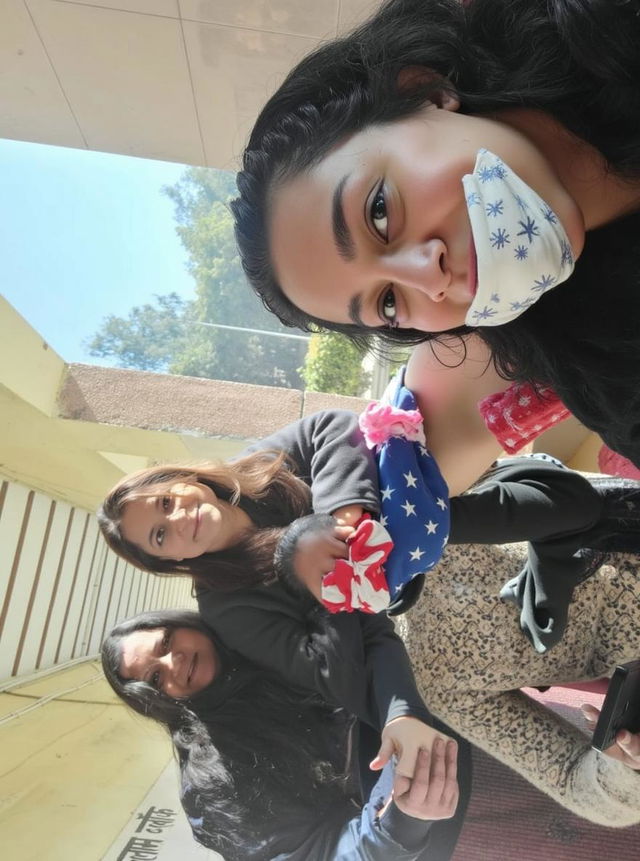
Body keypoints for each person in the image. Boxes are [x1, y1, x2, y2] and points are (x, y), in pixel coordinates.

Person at [231, 0, 640, 467]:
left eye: (379, 212)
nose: (429, 277)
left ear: (424, 92)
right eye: (388, 302)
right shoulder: (608, 377)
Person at [102, 609, 466, 860]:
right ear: (155, 703)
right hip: (450, 816)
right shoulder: (211, 787)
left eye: (165, 642)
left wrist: (402, 708)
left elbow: (364, 634)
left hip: (447, 707)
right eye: (154, 679)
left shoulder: (262, 626)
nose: (173, 662)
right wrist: (403, 818)